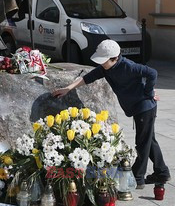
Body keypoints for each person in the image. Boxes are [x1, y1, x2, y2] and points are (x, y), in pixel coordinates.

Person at [52, 39, 170, 188]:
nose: (101, 64)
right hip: (138, 107)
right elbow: (87, 78)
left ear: (115, 58)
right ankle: (162, 172)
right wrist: (68, 88)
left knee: (142, 143)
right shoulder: (106, 68)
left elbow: (152, 73)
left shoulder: (129, 66)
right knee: (149, 140)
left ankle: (137, 177)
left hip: (145, 107)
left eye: (104, 61)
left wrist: (148, 91)